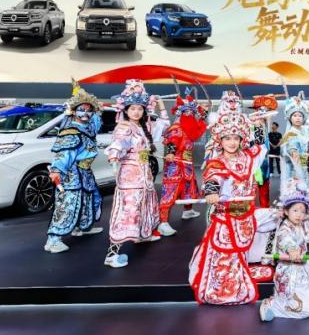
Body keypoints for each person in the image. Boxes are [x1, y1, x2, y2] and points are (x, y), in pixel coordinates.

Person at [189, 110, 273, 305]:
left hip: (245, 215)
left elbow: (260, 147)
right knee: (224, 256)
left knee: (276, 217)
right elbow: (213, 177)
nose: (232, 142)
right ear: (220, 140)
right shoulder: (217, 161)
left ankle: (262, 259)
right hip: (226, 216)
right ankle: (223, 287)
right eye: (227, 138)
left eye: (236, 138)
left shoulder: (248, 157)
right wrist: (211, 191)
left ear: (241, 139)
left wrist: (258, 126)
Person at [104, 80, 170, 268]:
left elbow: (164, 125)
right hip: (130, 176)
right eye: (132, 108)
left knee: (144, 206)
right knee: (128, 212)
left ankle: (143, 235)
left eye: (140, 109)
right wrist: (114, 156)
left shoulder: (143, 127)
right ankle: (111, 254)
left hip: (144, 174)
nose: (136, 112)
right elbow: (119, 143)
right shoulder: (125, 127)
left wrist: (161, 105)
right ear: (126, 110)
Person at [259, 184, 309, 321]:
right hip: (290, 272)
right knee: (306, 311)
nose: (299, 215)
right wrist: (292, 250)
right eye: (295, 210)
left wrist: (304, 193)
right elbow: (285, 240)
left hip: (303, 266)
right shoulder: (284, 228)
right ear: (286, 211)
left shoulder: (302, 224)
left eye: (302, 211)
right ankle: (272, 304)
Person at [44, 80, 104, 253]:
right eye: (81, 110)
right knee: (68, 204)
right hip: (71, 173)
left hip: (85, 172)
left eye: (89, 110)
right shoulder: (70, 131)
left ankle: (82, 227)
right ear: (73, 111)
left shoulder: (88, 127)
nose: (85, 113)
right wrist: (57, 170)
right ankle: (53, 240)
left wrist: (98, 110)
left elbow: (96, 124)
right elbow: (64, 154)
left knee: (91, 199)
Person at [157, 89, 209, 236]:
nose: (190, 115)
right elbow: (172, 142)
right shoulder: (177, 128)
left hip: (186, 163)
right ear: (181, 113)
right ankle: (163, 222)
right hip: (176, 164)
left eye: (191, 113)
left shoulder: (188, 129)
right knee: (171, 190)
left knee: (189, 187)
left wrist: (204, 111)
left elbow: (199, 124)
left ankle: (188, 210)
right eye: (187, 113)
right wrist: (171, 153)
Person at [280, 91, 309, 219]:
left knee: (304, 191)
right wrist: (294, 153)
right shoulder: (290, 133)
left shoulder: (303, 130)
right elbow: (290, 147)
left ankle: (302, 216)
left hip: (303, 167)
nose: (297, 118)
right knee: (296, 192)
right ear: (290, 118)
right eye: (295, 115)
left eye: (300, 115)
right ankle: (294, 216)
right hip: (294, 170)